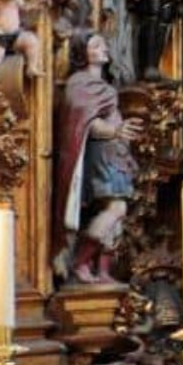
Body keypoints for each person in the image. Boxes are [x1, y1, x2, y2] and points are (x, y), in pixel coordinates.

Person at [54, 32, 144, 285]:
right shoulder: (80, 83)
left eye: (103, 44)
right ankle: (80, 261)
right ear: (83, 54)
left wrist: (121, 131)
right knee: (117, 208)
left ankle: (102, 269)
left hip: (115, 152)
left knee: (114, 213)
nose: (104, 48)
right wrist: (115, 130)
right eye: (96, 45)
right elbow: (88, 123)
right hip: (102, 154)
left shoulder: (102, 85)